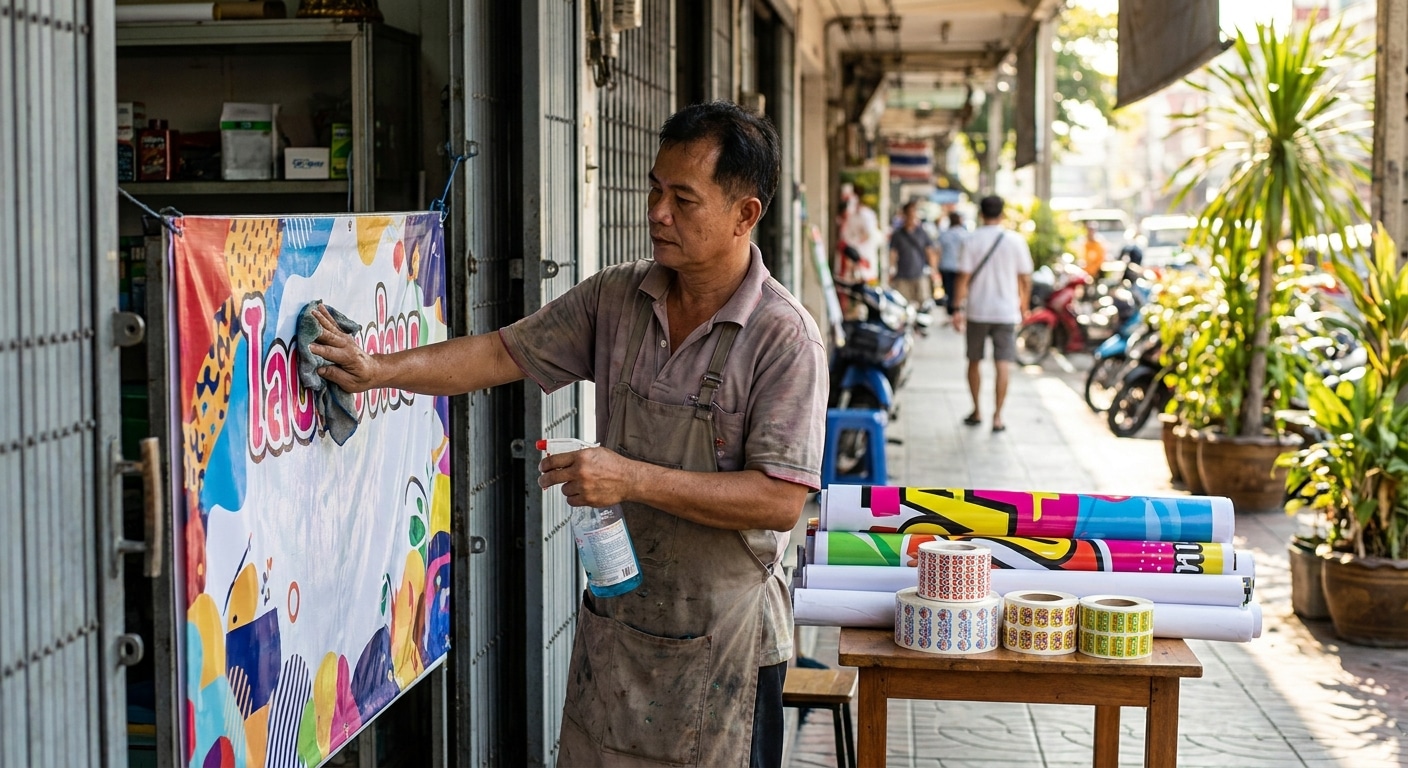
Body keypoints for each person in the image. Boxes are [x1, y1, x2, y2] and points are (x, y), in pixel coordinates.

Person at [308, 101, 828, 768]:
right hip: (620, 633)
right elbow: (497, 354)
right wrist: (377, 369)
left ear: (745, 215)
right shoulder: (615, 299)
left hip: (727, 649)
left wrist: (631, 477)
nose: (657, 212)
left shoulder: (784, 338)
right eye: (654, 188)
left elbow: (780, 499)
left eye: (684, 199)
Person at [951, 195, 1033, 433]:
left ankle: (977, 410)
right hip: (1006, 312)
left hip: (978, 310)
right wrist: (1023, 305)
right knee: (1003, 363)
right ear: (1003, 214)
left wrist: (957, 308)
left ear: (981, 213)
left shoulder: (972, 240)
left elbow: (963, 278)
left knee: (974, 360)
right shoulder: (1015, 241)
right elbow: (1025, 278)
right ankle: (998, 417)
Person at [888, 200, 938, 309]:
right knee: (902, 305)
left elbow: (930, 251)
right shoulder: (898, 234)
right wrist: (891, 270)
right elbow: (893, 252)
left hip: (919, 274)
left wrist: (933, 270)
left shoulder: (922, 233)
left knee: (922, 305)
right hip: (902, 275)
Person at [936, 210, 966, 317]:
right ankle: (957, 309)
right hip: (960, 267)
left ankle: (951, 310)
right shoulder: (965, 235)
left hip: (946, 266)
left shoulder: (945, 234)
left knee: (949, 290)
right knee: (959, 288)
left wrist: (935, 266)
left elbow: (938, 251)